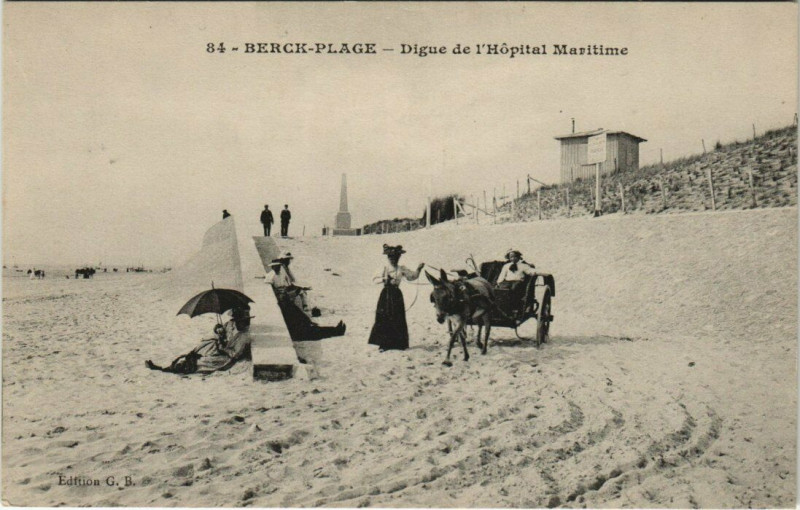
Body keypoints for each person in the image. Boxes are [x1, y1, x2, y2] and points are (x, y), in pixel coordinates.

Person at [145, 307, 253, 374]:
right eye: (235, 319)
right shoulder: (230, 324)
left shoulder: (243, 337)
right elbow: (220, 332)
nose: (236, 322)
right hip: (218, 348)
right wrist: (218, 329)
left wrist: (223, 347)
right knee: (199, 349)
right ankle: (170, 366)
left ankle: (167, 369)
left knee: (199, 362)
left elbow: (234, 354)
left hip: (224, 357)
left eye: (241, 320)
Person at [266, 259, 345, 341]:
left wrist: (308, 321)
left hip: (299, 327)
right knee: (313, 332)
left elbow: (298, 314)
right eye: (276, 266)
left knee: (313, 330)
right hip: (298, 331)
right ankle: (336, 331)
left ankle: (336, 330)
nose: (278, 268)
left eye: (279, 266)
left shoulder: (286, 301)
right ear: (272, 267)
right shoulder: (271, 277)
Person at [368, 244, 424, 352]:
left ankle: (399, 344)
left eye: (396, 257)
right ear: (388, 258)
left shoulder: (401, 269)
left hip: (396, 295)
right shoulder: (384, 268)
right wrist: (385, 280)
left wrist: (419, 269)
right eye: (391, 257)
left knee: (398, 317)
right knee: (384, 317)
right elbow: (374, 279)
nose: (393, 259)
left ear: (399, 258)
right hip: (386, 295)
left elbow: (412, 276)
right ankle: (383, 344)